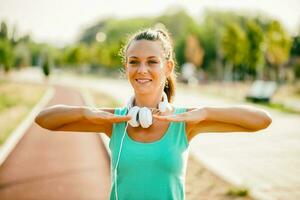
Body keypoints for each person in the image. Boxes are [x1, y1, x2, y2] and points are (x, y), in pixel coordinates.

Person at [35, 27, 272, 200]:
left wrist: (205, 113)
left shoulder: (185, 121)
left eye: (152, 62)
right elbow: (44, 119)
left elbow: (262, 120)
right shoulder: (114, 121)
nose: (142, 70)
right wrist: (90, 114)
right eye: (134, 62)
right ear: (126, 67)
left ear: (167, 67)